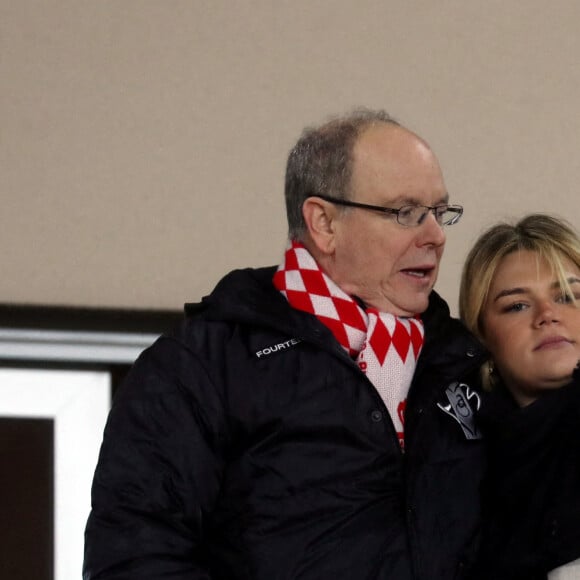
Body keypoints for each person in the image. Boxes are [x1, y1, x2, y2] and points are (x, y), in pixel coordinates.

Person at [83, 108, 486, 580]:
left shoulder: (468, 361)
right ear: (324, 224)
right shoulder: (203, 366)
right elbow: (134, 559)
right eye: (406, 213)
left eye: (440, 212)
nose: (435, 236)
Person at [459, 213, 580, 580]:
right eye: (517, 305)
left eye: (569, 296)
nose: (548, 315)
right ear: (482, 337)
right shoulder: (454, 460)